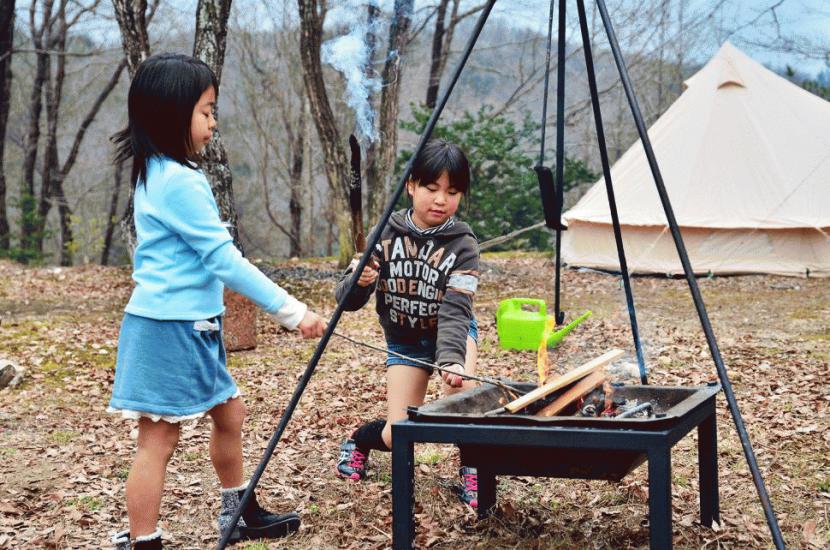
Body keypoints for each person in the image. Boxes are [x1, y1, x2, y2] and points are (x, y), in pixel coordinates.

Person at [106, 53, 326, 550]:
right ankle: (144, 541)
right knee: (158, 440)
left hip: (192, 325)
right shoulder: (179, 181)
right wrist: (292, 312)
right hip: (168, 328)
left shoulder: (159, 171)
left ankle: (239, 512)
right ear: (171, 114)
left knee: (229, 414)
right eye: (206, 112)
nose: (213, 124)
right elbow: (224, 261)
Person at [334, 139, 481, 507]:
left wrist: (451, 359)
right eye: (432, 188)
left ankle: (475, 472)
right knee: (398, 433)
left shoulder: (463, 244)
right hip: (404, 342)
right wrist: (358, 282)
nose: (440, 200)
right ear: (412, 185)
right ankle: (359, 441)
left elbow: (457, 308)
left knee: (463, 406)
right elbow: (348, 302)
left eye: (452, 192)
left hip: (454, 336)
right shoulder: (384, 233)